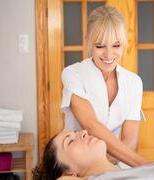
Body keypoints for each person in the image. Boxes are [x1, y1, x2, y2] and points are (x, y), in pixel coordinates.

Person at [61, 6, 147, 167]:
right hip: (77, 165)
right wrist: (147, 165)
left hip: (116, 163)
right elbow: (91, 125)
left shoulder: (134, 82)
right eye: (100, 46)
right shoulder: (72, 74)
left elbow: (130, 140)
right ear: (88, 42)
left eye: (116, 45)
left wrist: (105, 165)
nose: (109, 55)